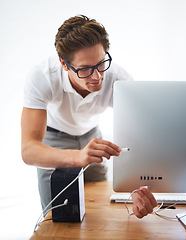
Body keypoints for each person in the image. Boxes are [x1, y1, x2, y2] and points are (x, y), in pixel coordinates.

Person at [21, 15, 157, 218]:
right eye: (84, 69)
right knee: (57, 216)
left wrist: (138, 190)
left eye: (101, 63)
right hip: (53, 137)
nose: (97, 76)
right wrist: (78, 156)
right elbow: (28, 150)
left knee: (101, 210)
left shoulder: (119, 80)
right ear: (64, 64)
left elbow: (141, 137)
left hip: (92, 135)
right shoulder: (42, 76)